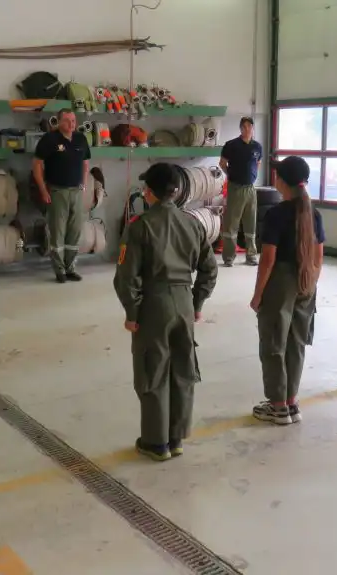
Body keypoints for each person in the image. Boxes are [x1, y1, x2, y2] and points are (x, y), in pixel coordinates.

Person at [114, 163, 219, 461]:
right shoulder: (193, 223)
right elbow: (209, 270)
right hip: (184, 301)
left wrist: (132, 312)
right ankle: (176, 438)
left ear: (149, 192)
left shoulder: (140, 225)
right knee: (183, 370)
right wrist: (197, 304)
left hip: (154, 304)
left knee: (153, 371)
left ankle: (155, 442)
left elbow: (126, 276)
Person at [249, 155, 325, 424]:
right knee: (296, 342)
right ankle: (291, 401)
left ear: (281, 181)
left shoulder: (276, 214)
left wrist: (258, 294)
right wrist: (311, 282)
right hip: (307, 279)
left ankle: (278, 405)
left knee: (274, 342)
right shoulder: (313, 213)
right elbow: (318, 256)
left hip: (280, 281)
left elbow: (268, 259)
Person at [33, 108, 92, 283]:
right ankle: (59, 270)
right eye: (66, 120)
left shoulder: (81, 139)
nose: (71, 124)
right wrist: (43, 190)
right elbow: (37, 166)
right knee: (57, 232)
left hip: (76, 192)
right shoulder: (49, 139)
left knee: (75, 231)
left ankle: (70, 267)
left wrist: (84, 184)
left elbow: (86, 164)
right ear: (58, 122)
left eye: (73, 120)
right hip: (57, 191)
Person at [219, 116, 263, 267]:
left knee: (250, 222)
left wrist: (252, 176)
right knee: (231, 223)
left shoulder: (257, 147)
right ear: (240, 128)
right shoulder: (231, 145)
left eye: (249, 126)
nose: (247, 129)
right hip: (235, 187)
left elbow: (258, 163)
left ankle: (251, 255)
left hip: (250, 189)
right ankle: (229, 257)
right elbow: (222, 163)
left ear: (253, 128)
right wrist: (231, 175)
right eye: (244, 126)